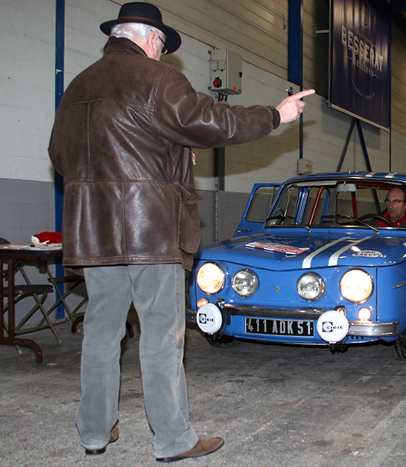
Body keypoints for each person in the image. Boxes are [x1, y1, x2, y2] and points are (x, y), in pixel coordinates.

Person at [48, 2, 314, 462]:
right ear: (150, 38)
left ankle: (93, 432)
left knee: (101, 333)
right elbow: (211, 121)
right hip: (150, 229)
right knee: (161, 335)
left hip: (93, 230)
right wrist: (275, 115)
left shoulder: (77, 87)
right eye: (161, 45)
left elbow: (58, 155)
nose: (161, 53)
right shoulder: (156, 79)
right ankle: (172, 440)